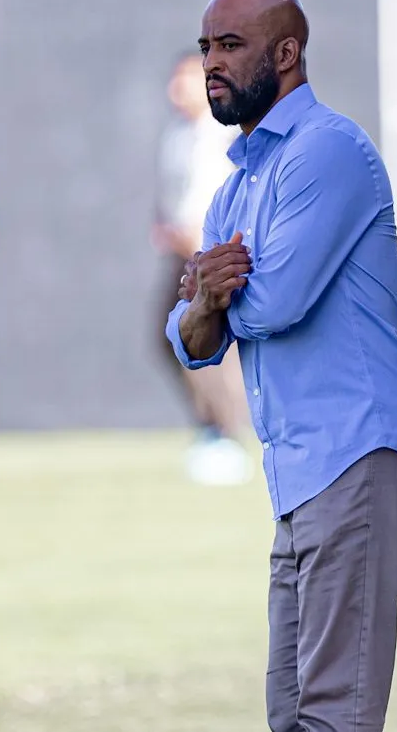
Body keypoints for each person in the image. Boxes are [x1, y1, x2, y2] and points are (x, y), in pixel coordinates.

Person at [166, 0, 397, 732]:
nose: (211, 63)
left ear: (287, 53)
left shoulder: (327, 150)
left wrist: (218, 297)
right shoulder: (236, 187)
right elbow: (192, 342)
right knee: (292, 716)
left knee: (332, 717)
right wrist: (205, 302)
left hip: (360, 451)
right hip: (306, 472)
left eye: (230, 45)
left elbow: (274, 304)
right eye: (206, 47)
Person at [151, 50, 250, 486]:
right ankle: (211, 426)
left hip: (212, 257)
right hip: (183, 255)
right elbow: (172, 196)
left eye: (188, 80)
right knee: (169, 335)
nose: (178, 90)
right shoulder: (177, 134)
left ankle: (226, 435)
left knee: (210, 345)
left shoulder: (220, 135)